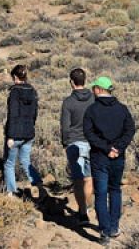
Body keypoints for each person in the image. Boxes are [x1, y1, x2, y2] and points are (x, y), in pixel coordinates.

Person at [83, 76, 136, 241]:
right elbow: (130, 130)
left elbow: (89, 133)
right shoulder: (122, 109)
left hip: (99, 156)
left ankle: (104, 231)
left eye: (94, 88)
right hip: (117, 158)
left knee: (101, 193)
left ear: (99, 89)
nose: (93, 91)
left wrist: (107, 148)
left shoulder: (92, 110)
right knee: (115, 190)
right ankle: (114, 227)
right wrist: (118, 148)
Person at [59, 67, 95, 221]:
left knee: (78, 180)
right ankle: (87, 206)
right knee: (89, 178)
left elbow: (65, 126)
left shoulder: (68, 102)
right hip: (92, 142)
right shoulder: (94, 98)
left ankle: (83, 212)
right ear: (85, 81)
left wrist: (64, 143)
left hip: (74, 142)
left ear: (72, 82)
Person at [3, 63, 42, 196]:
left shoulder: (15, 92)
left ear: (15, 77)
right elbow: (35, 113)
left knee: (9, 163)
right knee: (25, 161)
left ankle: (11, 192)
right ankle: (39, 185)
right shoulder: (32, 90)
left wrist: (10, 136)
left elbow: (13, 114)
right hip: (29, 133)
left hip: (15, 134)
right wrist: (31, 126)